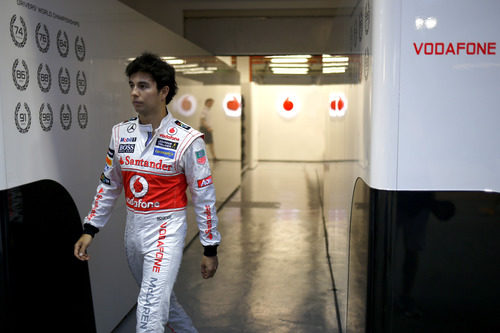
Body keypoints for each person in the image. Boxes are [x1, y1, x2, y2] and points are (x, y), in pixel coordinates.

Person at [74, 52, 221, 333]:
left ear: (163, 91)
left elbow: (204, 197)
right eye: (132, 85)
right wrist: (90, 228)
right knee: (165, 303)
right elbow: (109, 184)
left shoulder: (188, 140)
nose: (134, 93)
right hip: (133, 231)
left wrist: (210, 247)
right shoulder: (120, 133)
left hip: (167, 229)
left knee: (149, 314)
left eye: (143, 86)